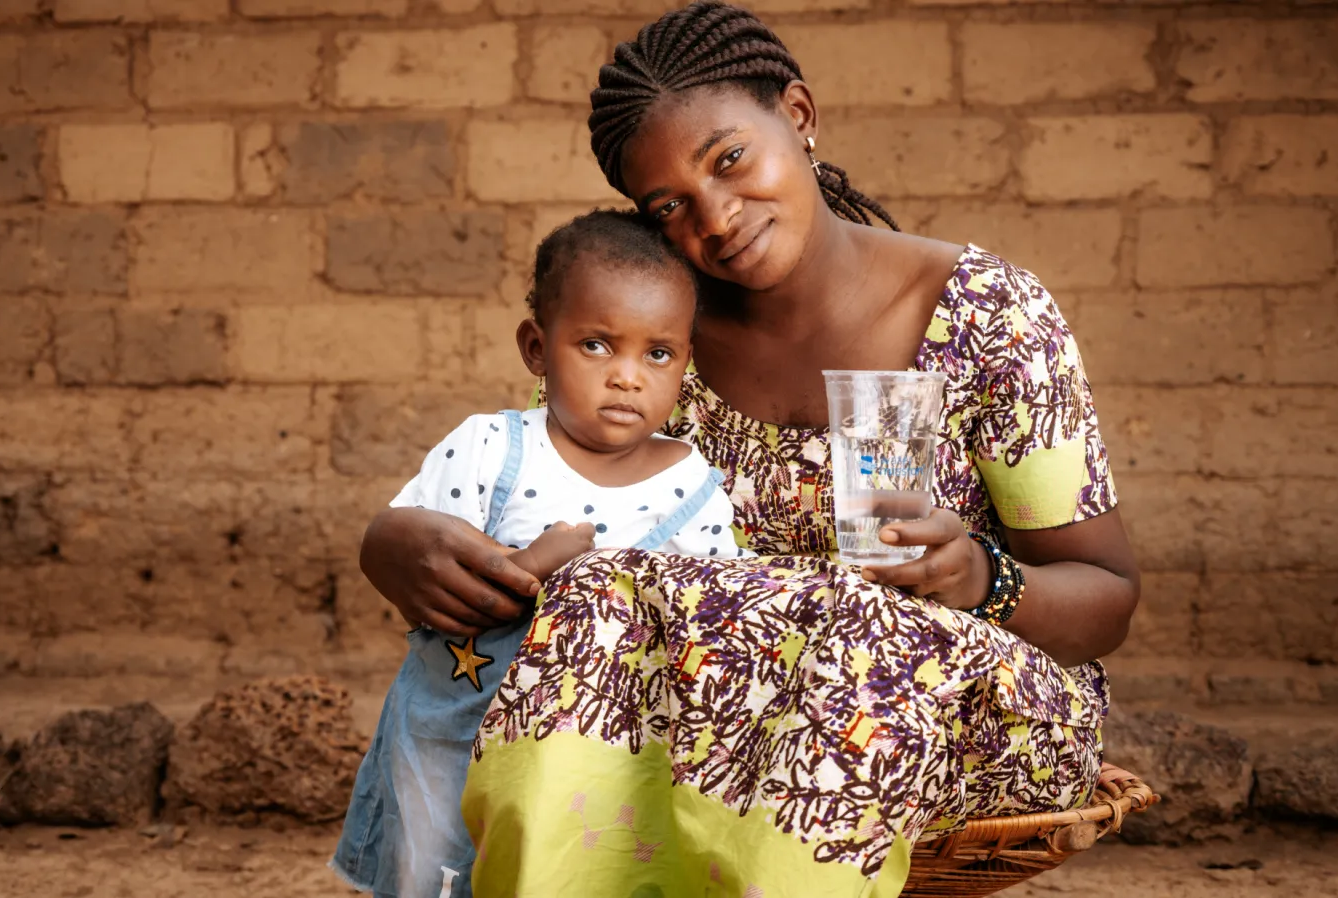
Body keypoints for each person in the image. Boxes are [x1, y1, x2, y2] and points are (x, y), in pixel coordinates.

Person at [361, 3, 1142, 896]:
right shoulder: (655, 335)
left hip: (958, 707)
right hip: (716, 714)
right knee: (588, 591)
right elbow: (529, 495)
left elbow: (1108, 598)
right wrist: (394, 542)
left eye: (730, 159)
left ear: (799, 117)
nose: (719, 217)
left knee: (863, 624)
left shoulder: (990, 316)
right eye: (671, 206)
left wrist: (979, 579)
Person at [333, 210, 752, 898]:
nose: (627, 377)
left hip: (593, 758)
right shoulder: (492, 449)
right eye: (596, 345)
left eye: (658, 354)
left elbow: (712, 625)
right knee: (431, 878)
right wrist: (538, 562)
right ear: (536, 347)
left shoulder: (690, 485)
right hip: (453, 737)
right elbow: (434, 584)